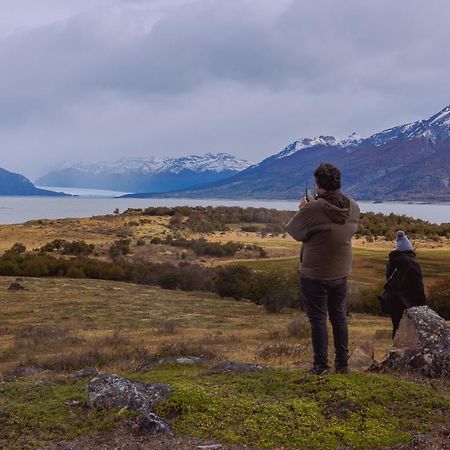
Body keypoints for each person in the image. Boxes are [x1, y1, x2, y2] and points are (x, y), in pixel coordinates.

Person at [285, 163, 360, 375]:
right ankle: (342, 365)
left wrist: (304, 209)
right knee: (339, 317)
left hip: (315, 272)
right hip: (341, 270)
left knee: (318, 319)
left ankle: (320, 366)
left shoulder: (313, 208)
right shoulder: (353, 206)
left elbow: (295, 231)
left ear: (318, 185)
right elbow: (349, 229)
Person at [384, 230, 426, 338]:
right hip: (407, 302)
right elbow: (418, 288)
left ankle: (395, 353)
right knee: (411, 333)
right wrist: (423, 306)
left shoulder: (391, 262)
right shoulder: (412, 265)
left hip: (392, 300)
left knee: (397, 328)